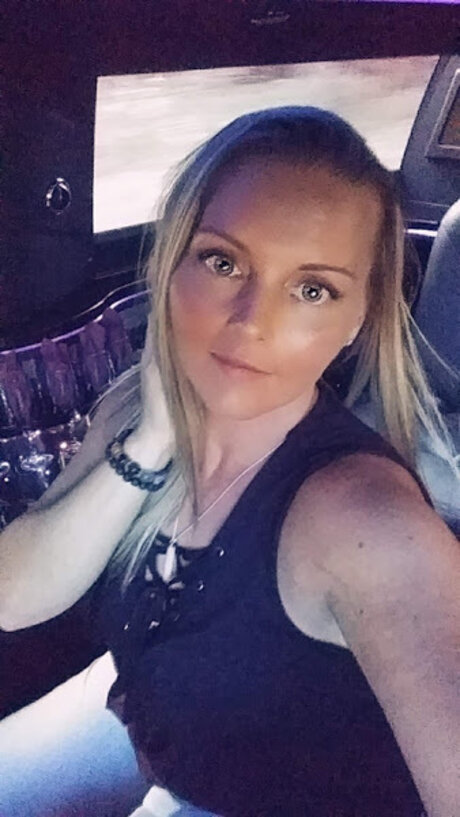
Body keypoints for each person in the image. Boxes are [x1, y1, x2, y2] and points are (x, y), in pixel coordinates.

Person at [1, 106, 459, 817]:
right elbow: (13, 595)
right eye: (223, 262)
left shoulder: (369, 525)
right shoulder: (132, 412)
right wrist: (153, 440)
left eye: (312, 289)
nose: (251, 321)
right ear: (171, 264)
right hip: (150, 712)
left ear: (357, 320)